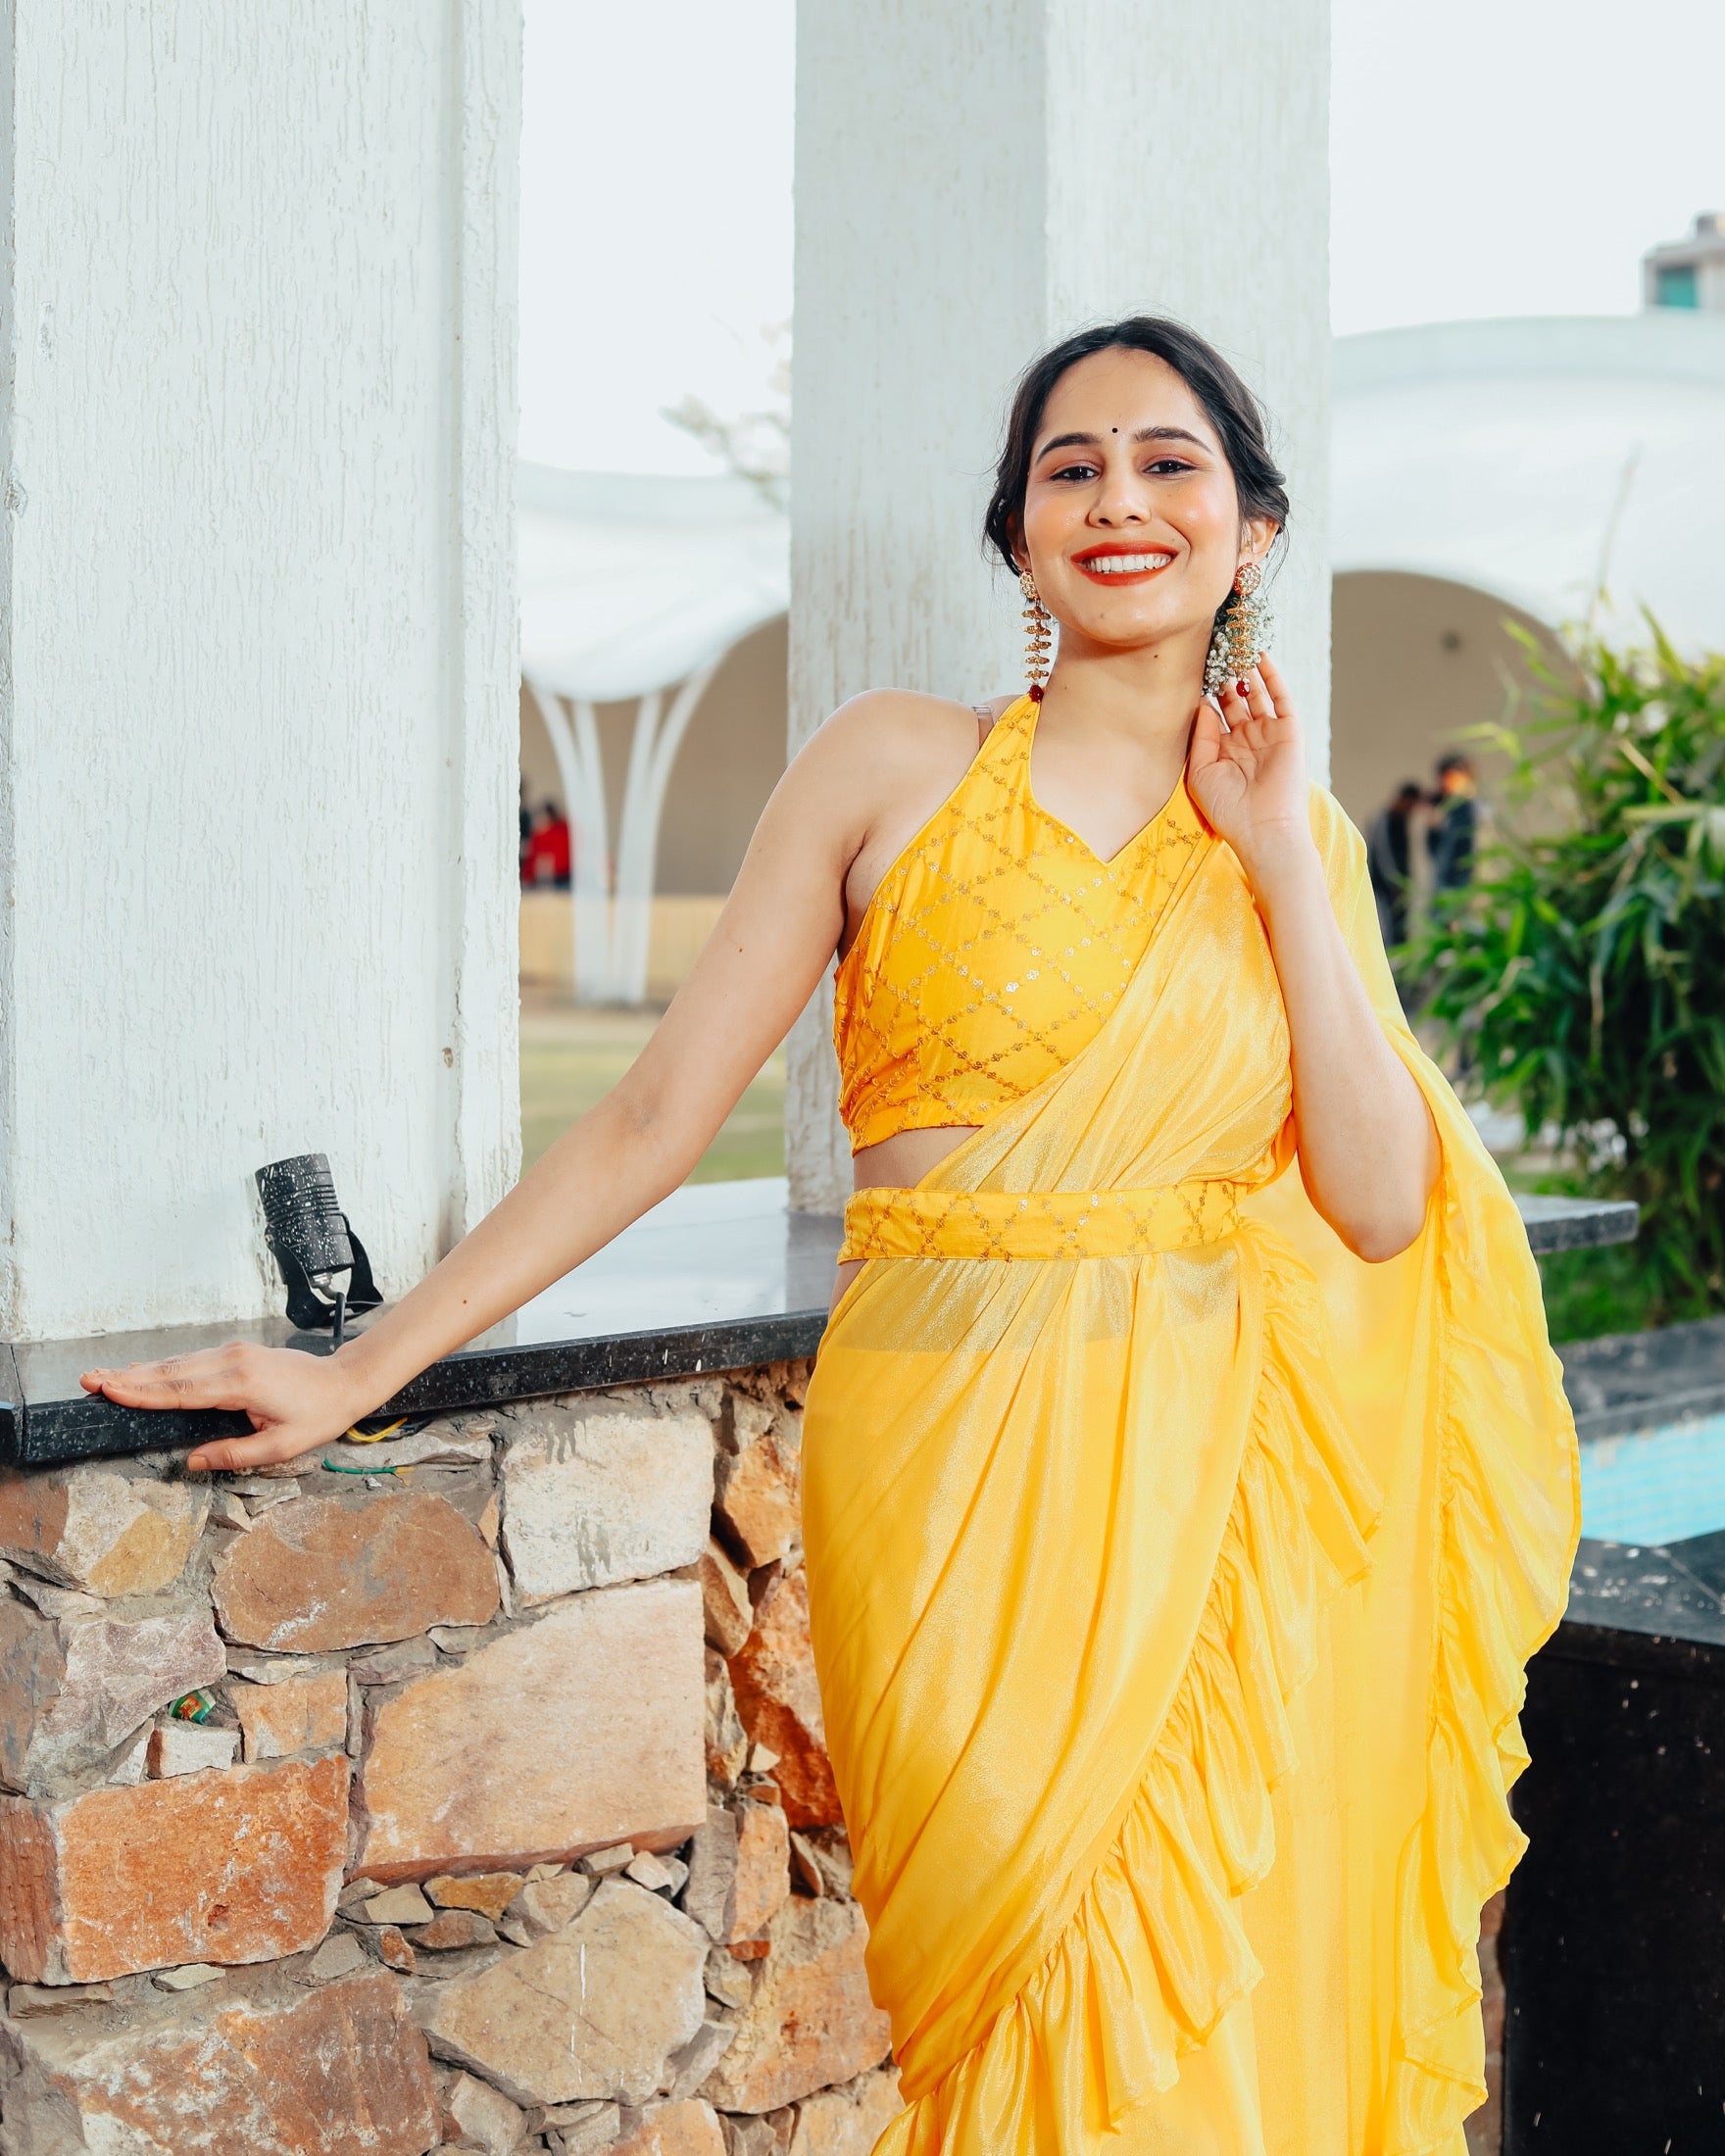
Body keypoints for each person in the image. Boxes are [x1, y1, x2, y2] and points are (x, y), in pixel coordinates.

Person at [81, 318, 1575, 2156]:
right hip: (943, 1474)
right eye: (1070, 466)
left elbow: (1377, 1198)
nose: (1119, 498)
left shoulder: (1300, 845)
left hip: (1205, 1486)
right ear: (1017, 535)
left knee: (1196, 2036)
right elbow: (647, 1120)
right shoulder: (893, 766)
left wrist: (1271, 850)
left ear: (1252, 531)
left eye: (1170, 462)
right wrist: (363, 1364)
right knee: (997, 1999)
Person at [1367, 777, 1423, 946]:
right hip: (1384, 889)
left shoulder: (1401, 820)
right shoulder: (1384, 820)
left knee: (1401, 930)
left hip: (1399, 889)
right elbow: (1384, 855)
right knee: (1386, 930)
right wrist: (1394, 883)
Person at [1429, 751, 1478, 893]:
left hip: (1469, 887)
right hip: (1445, 886)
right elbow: (1435, 851)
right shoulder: (1444, 811)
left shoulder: (1474, 809)